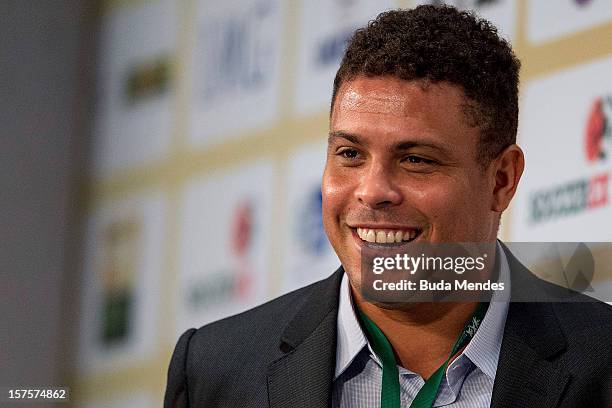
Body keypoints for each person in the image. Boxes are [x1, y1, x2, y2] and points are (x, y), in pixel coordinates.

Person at [164, 5, 612, 407]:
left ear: (501, 180)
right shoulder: (213, 371)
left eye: (416, 160)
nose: (373, 190)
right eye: (350, 155)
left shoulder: (602, 360)